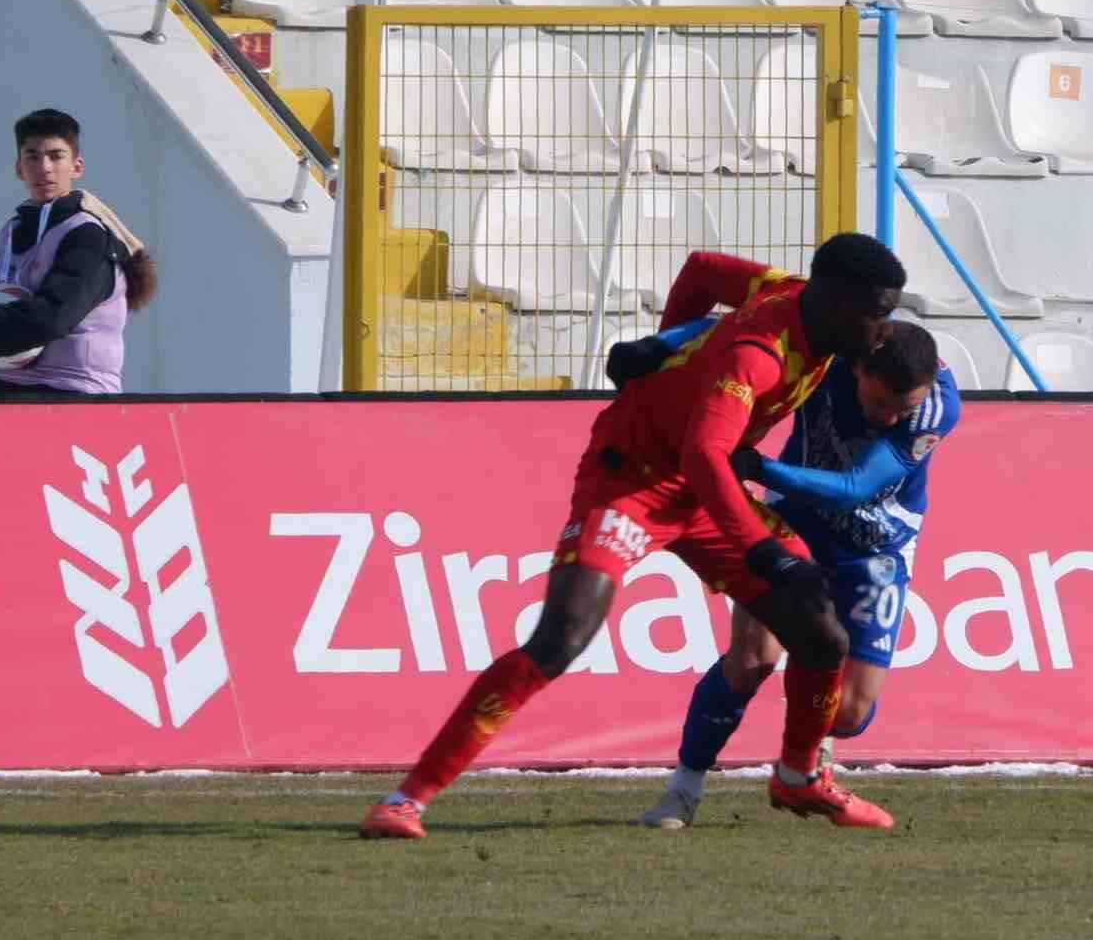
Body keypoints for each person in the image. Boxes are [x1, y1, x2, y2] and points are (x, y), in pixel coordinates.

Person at [359, 236, 906, 840]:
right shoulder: (758, 355)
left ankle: (798, 776)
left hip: (698, 491)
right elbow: (704, 453)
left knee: (820, 631)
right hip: (632, 486)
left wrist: (662, 345)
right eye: (877, 313)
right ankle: (405, 800)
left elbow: (702, 272)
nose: (885, 329)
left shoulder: (785, 292)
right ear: (832, 301)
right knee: (560, 639)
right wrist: (762, 549)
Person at [635, 320, 961, 829]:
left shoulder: (938, 407)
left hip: (878, 543)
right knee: (751, 659)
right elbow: (736, 326)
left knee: (852, 712)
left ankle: (803, 764)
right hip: (793, 520)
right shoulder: (825, 350)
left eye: (902, 409)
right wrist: (658, 345)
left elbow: (855, 487)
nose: (890, 417)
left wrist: (758, 467)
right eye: (879, 404)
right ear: (858, 368)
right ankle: (682, 791)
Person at [0, 108, 155, 397]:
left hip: (72, 395)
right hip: (1, 389)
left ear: (77, 167)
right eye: (33, 156)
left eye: (56, 156)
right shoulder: (13, 228)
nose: (44, 167)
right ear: (19, 168)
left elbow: (49, 317)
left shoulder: (88, 235)